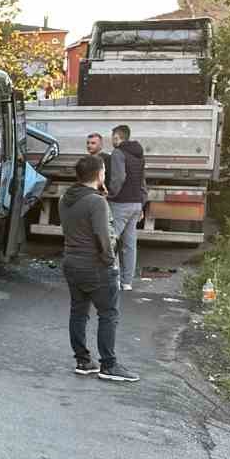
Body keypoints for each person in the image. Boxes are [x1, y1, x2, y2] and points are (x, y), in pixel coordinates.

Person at [61, 154, 138, 382]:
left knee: (78, 312)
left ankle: (83, 361)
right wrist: (110, 263)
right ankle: (109, 365)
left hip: (71, 262)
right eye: (104, 171)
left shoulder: (65, 198)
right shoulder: (96, 202)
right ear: (99, 174)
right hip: (94, 265)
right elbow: (104, 237)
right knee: (108, 314)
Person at [106, 123, 146, 291]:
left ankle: (111, 279)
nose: (112, 141)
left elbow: (119, 178)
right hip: (136, 203)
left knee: (111, 241)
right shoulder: (139, 155)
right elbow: (142, 181)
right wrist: (142, 204)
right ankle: (127, 282)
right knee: (130, 245)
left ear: (119, 138)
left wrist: (111, 194)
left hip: (121, 203)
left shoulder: (118, 153)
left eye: (113, 138)